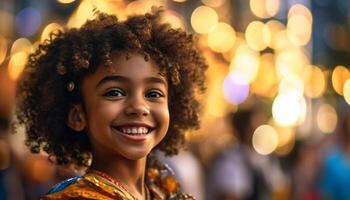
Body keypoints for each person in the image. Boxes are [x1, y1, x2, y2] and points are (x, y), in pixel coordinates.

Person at [15, 8, 207, 200]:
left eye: (153, 93)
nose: (139, 107)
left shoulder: (163, 191)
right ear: (77, 116)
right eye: (115, 92)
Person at [206, 107, 285, 200]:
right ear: (246, 130)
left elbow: (279, 186)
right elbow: (228, 195)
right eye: (256, 125)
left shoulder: (265, 159)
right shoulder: (228, 161)